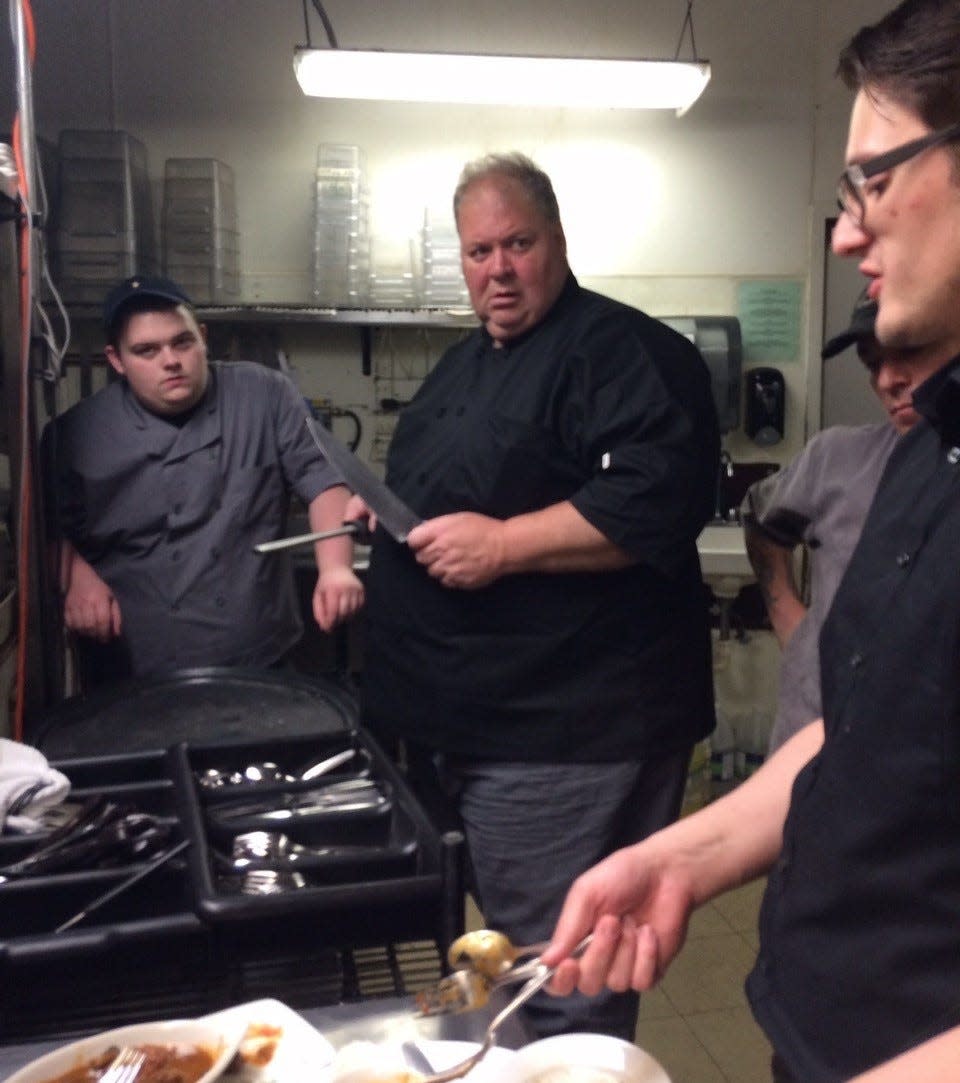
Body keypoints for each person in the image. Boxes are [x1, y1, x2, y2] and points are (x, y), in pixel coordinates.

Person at [541, 2, 960, 1079]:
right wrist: (684, 856)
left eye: (872, 180)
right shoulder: (931, 453)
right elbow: (870, 729)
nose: (845, 234)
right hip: (820, 1036)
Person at [348, 152, 720, 1041]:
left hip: (568, 725)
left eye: (518, 243)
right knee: (505, 952)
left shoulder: (626, 352)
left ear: (557, 240)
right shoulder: (465, 365)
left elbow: (655, 498)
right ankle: (510, 1057)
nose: (498, 269)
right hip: (473, 717)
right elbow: (453, 486)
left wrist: (508, 544)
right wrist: (389, 514)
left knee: (563, 967)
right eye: (479, 251)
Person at [43, 274, 363, 686]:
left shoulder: (264, 395)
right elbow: (46, 529)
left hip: (258, 660)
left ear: (204, 338)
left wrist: (337, 568)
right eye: (146, 350)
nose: (170, 360)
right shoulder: (75, 435)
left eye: (182, 342)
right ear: (116, 360)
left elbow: (321, 478)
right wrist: (75, 575)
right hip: (130, 673)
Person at [742, 291, 952, 751]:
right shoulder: (836, 457)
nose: (889, 380)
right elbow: (760, 519)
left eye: (910, 353)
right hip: (812, 740)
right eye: (872, 363)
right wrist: (792, 625)